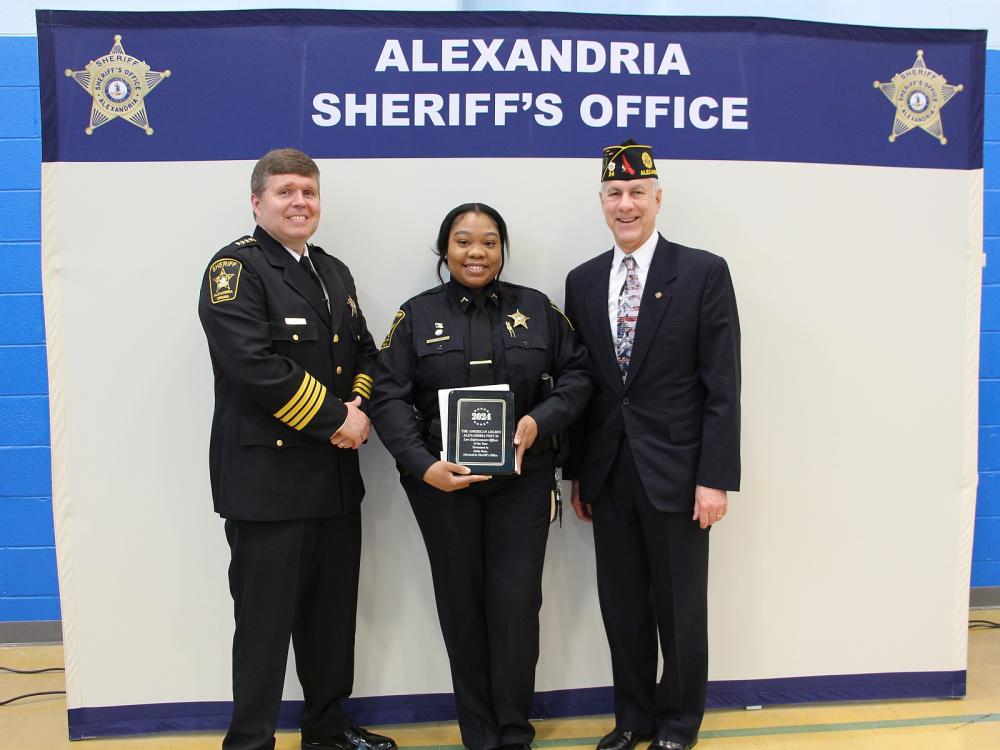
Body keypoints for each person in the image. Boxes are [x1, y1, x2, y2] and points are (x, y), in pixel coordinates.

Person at [371, 203, 593, 750]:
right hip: (444, 487)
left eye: (489, 242)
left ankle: (514, 731)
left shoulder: (538, 309)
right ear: (444, 250)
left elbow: (580, 375)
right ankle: (480, 734)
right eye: (464, 241)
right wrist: (423, 466)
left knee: (517, 606)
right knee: (461, 605)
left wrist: (539, 421)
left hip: (523, 482)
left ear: (503, 249)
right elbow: (388, 396)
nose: (477, 252)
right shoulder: (415, 316)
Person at [198, 148, 396, 750]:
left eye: (308, 192)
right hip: (268, 485)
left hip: (333, 480)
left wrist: (357, 411)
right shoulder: (235, 270)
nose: (299, 203)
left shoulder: (332, 270)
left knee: (330, 619)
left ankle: (327, 727)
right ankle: (251, 740)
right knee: (263, 627)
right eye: (285, 192)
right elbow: (253, 366)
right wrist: (339, 418)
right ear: (257, 202)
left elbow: (364, 350)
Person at [564, 142, 741, 750]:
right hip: (609, 474)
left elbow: (723, 387)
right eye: (614, 193)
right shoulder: (583, 281)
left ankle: (678, 723)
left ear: (658, 198)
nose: (626, 203)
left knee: (680, 610)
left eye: (637, 192)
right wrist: (578, 472)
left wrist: (714, 477)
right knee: (623, 609)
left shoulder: (702, 273)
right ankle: (633, 719)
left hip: (680, 474)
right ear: (601, 203)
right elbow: (583, 384)